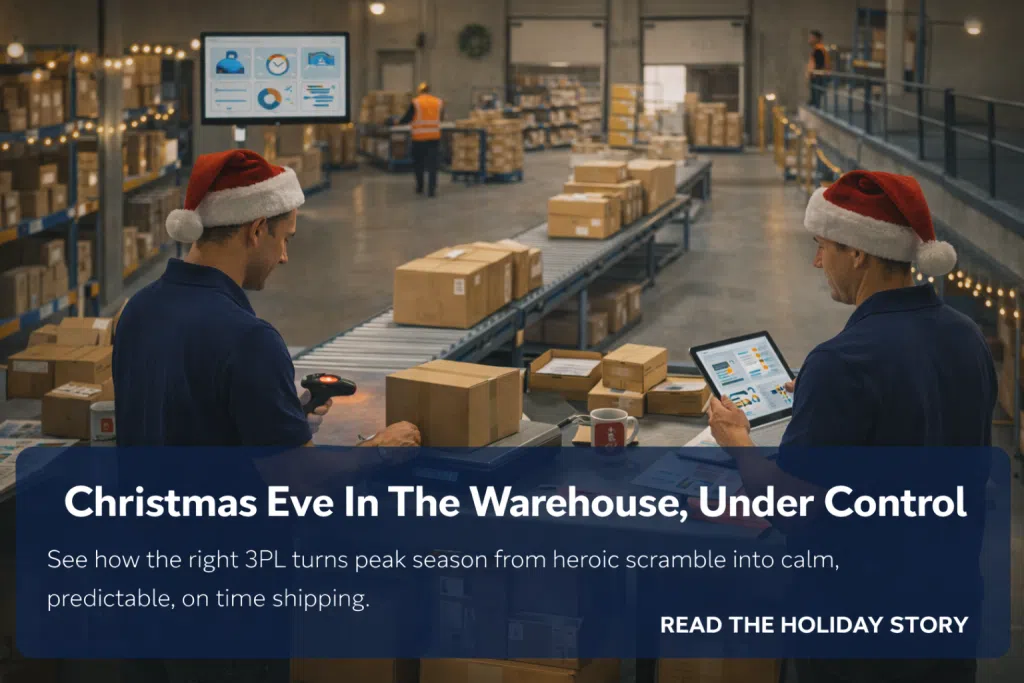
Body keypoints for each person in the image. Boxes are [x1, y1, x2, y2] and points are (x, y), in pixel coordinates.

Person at [707, 171, 995, 683]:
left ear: (858, 252)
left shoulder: (842, 361)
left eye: (823, 246)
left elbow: (793, 511)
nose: (819, 262)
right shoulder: (967, 335)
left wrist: (739, 444)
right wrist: (822, 403)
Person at [113, 149, 420, 452]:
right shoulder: (249, 340)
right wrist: (379, 448)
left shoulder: (136, 310)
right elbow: (301, 481)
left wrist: (279, 421)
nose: (284, 257)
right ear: (257, 230)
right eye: (285, 238)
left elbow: (182, 421)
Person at [399, 82, 444, 197]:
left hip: (419, 138)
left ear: (419, 91)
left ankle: (420, 187)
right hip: (434, 138)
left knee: (419, 164)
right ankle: (432, 190)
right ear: (429, 90)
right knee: (432, 165)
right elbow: (440, 118)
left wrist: (396, 122)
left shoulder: (416, 102)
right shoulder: (438, 102)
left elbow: (408, 118)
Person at [807, 30, 830, 107]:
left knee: (816, 95)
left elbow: (819, 64)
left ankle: (815, 105)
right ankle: (814, 104)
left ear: (817, 39)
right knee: (815, 95)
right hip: (818, 76)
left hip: (817, 77)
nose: (809, 39)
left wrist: (813, 74)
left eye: (811, 37)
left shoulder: (819, 49)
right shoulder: (818, 49)